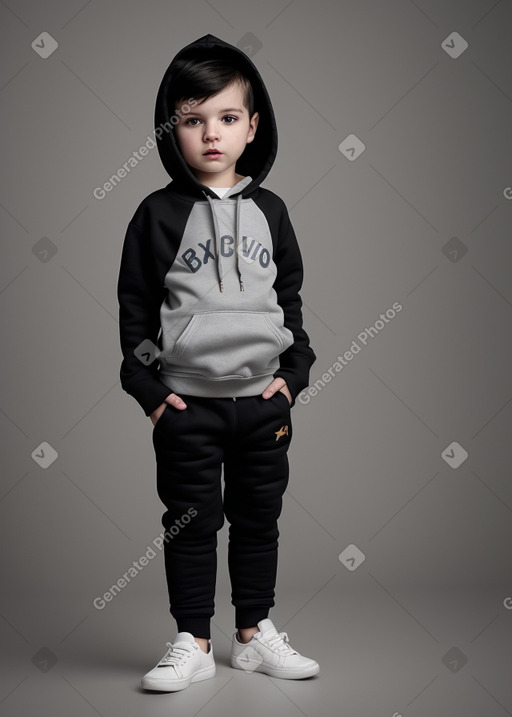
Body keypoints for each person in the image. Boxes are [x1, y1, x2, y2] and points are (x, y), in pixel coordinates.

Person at [117, 33, 318, 692]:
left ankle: (255, 634)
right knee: (191, 522)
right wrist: (148, 389)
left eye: (228, 118)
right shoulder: (156, 215)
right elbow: (136, 315)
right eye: (193, 120)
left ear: (252, 126)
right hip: (188, 406)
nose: (211, 134)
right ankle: (193, 640)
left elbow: (290, 306)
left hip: (264, 404)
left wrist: (294, 376)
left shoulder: (272, 213)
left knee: (259, 518)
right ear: (171, 128)